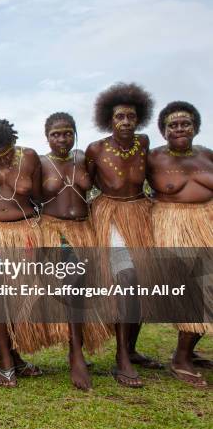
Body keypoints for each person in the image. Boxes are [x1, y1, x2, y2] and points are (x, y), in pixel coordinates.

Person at [86, 82, 163, 388]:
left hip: (141, 215)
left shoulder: (143, 143)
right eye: (120, 117)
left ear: (139, 118)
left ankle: (131, 347)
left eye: (131, 116)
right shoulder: (96, 149)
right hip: (113, 216)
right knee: (126, 280)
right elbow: (86, 183)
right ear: (110, 120)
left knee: (143, 282)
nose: (126, 122)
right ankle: (121, 357)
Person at [39, 112, 112, 391]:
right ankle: (76, 356)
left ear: (75, 133)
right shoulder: (41, 163)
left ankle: (79, 349)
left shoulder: (84, 159)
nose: (62, 138)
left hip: (84, 231)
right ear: (47, 136)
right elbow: (34, 197)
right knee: (72, 288)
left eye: (67, 133)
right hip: (53, 231)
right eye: (56, 134)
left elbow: (98, 188)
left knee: (84, 290)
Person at [0, 119, 49, 387]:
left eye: (4, 152)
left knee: (18, 298)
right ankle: (4, 359)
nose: (0, 158)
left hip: (24, 231)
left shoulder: (29, 157)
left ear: (13, 143)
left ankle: (16, 354)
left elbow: (39, 196)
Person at [148, 101, 212, 387]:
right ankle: (180, 359)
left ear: (195, 127)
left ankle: (189, 350)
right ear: (163, 131)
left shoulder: (208, 156)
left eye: (185, 123)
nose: (179, 128)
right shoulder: (153, 158)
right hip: (172, 224)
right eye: (172, 125)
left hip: (206, 224)